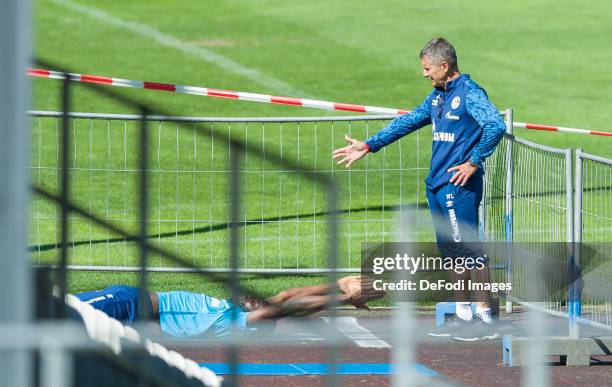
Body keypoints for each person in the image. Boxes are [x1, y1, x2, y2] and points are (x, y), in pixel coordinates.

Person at [332, 38, 506, 341]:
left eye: (428, 69)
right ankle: (463, 315)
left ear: (444, 66)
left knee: (470, 250)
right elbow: (410, 121)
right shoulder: (437, 96)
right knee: (451, 251)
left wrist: (474, 162)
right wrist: (369, 145)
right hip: (436, 185)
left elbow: (495, 125)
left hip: (458, 186)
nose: (424, 74)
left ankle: (484, 319)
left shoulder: (471, 94)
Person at [74, 275, 384, 338]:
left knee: (62, 314)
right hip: (131, 302)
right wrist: (339, 286)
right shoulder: (230, 312)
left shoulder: (233, 322)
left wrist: (344, 299)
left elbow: (288, 307)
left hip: (131, 304)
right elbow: (290, 295)